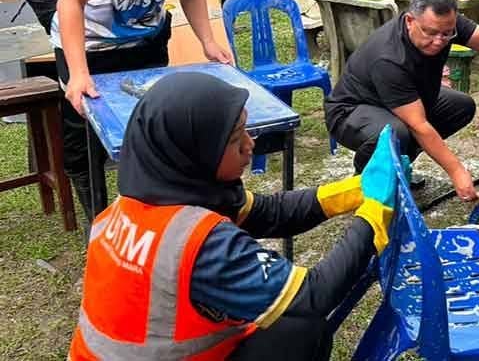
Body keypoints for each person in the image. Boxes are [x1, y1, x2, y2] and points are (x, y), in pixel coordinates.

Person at [69, 72, 400, 360]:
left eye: (246, 129)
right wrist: (374, 214)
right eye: (233, 138)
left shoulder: (139, 204)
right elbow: (313, 296)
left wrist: (353, 191)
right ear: (194, 149)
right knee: (301, 327)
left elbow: (268, 213)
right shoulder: (202, 245)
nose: (249, 145)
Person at [51, 0, 240, 224]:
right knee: (86, 140)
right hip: (90, 43)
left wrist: (207, 41)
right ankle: (103, 224)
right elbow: (71, 0)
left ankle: (150, 214)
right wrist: (78, 72)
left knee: (152, 128)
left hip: (146, 38)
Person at [324, 0, 479, 203]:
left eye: (447, 34)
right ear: (410, 21)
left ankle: (398, 166)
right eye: (431, 33)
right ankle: (366, 182)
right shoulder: (389, 58)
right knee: (397, 132)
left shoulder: (444, 23)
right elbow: (419, 126)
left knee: (461, 106)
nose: (439, 41)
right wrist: (457, 172)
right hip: (350, 113)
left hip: (399, 103)